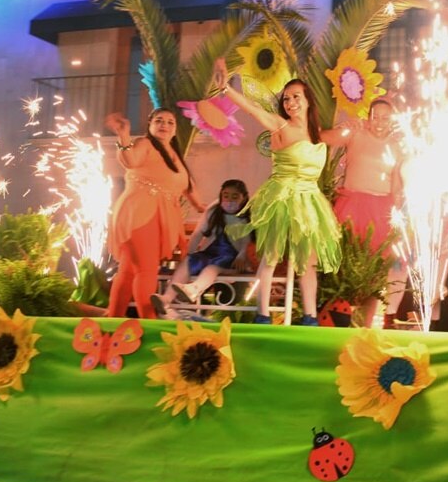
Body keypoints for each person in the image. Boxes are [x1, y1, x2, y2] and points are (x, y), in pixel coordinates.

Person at [214, 58, 342, 325]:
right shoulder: (279, 125)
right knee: (271, 256)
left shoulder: (318, 134)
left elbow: (350, 137)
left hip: (309, 201)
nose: (290, 102)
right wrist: (226, 88)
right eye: (286, 99)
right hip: (282, 198)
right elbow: (251, 110)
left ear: (308, 100)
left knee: (308, 262)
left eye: (296, 97)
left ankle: (310, 317)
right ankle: (262, 314)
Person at [105, 107, 205, 320]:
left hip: (156, 217)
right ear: (150, 125)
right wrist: (123, 135)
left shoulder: (174, 154)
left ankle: (112, 320)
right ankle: (149, 324)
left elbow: (188, 188)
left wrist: (206, 209)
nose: (164, 125)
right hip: (140, 213)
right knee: (146, 270)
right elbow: (129, 160)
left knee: (129, 270)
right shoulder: (144, 144)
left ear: (176, 130)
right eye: (159, 121)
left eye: (170, 122)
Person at [321, 98, 407, 328]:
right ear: (368, 117)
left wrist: (398, 215)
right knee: (344, 266)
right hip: (352, 205)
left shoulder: (398, 146)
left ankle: (364, 327)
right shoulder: (356, 133)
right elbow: (321, 136)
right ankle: (335, 322)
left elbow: (396, 183)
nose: (379, 123)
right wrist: (344, 127)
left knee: (374, 273)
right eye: (375, 117)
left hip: (382, 210)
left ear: (393, 120)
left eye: (385, 118)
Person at [152, 178, 256, 319]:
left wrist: (242, 256)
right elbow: (198, 233)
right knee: (189, 261)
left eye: (235, 196)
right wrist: (189, 252)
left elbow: (248, 242)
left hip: (233, 260)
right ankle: (167, 299)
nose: (229, 200)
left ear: (244, 198)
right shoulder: (214, 211)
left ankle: (195, 289)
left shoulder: (248, 216)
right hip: (212, 252)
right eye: (226, 195)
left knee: (212, 269)